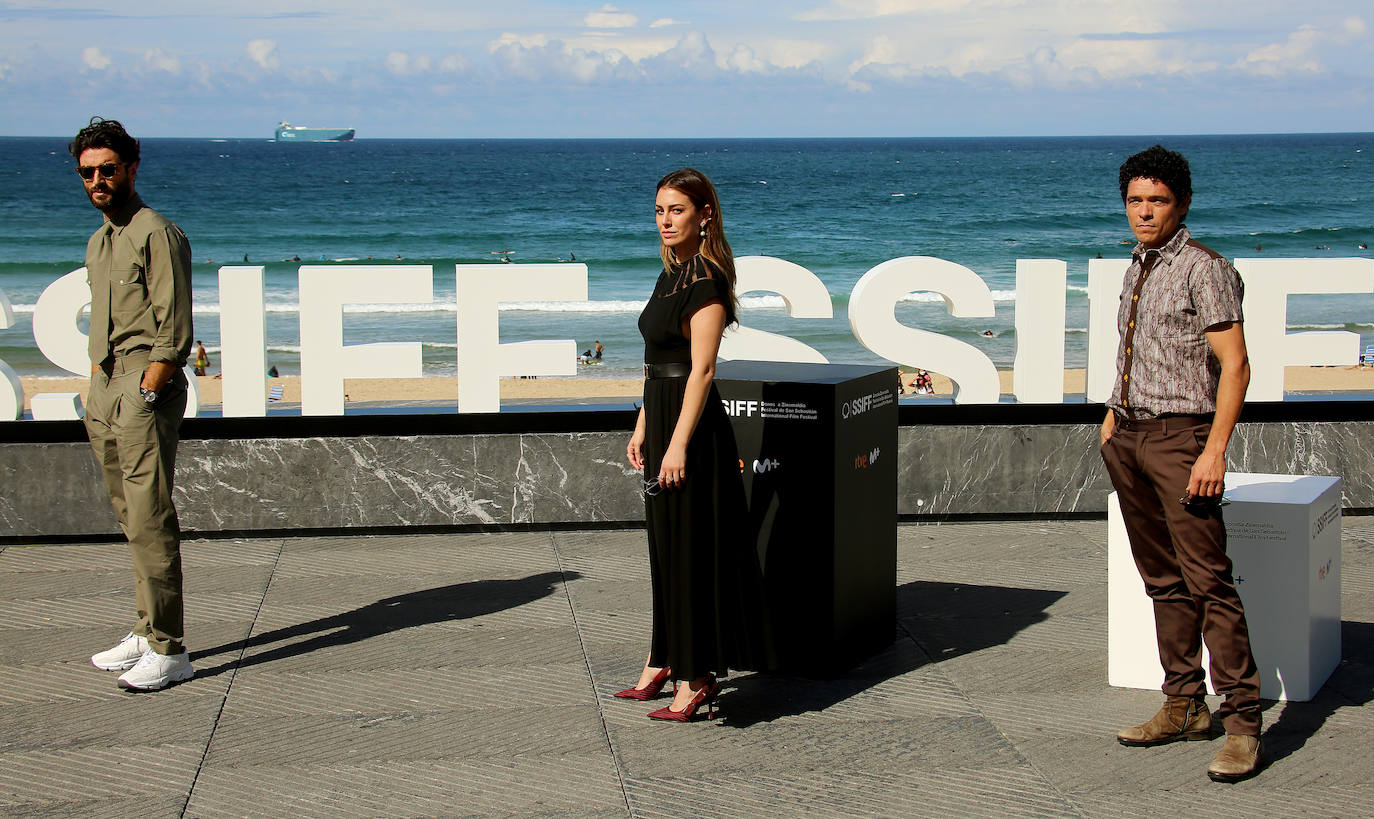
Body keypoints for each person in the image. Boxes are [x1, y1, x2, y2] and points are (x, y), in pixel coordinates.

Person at [1100, 145, 1262, 782]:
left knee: (1208, 581)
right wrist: (1113, 414)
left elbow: (1236, 365)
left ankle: (1243, 725)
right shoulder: (1137, 263)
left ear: (1182, 204)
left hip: (1181, 441)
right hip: (1130, 436)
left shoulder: (1205, 269)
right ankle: (1183, 704)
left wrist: (1214, 449)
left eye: (1157, 201)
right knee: (1161, 579)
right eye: (1136, 200)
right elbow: (1135, 348)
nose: (1145, 212)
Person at [622, 167, 755, 722]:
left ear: (705, 216)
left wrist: (675, 446)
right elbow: (658, 365)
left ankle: (696, 675)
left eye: (677, 210)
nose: (666, 220)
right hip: (663, 415)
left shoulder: (707, 281)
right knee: (664, 549)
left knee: (691, 552)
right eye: (659, 210)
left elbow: (701, 371)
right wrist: (641, 424)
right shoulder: (668, 275)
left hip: (692, 429)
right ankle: (662, 657)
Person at [72, 117, 195, 692]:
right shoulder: (101, 239)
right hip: (104, 387)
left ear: (131, 169)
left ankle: (170, 650)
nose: (98, 179)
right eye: (88, 172)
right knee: (128, 515)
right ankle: (147, 631)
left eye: (108, 169)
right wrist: (96, 387)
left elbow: (173, 327)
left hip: (142, 389)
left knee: (149, 516)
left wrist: (147, 389)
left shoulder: (156, 232)